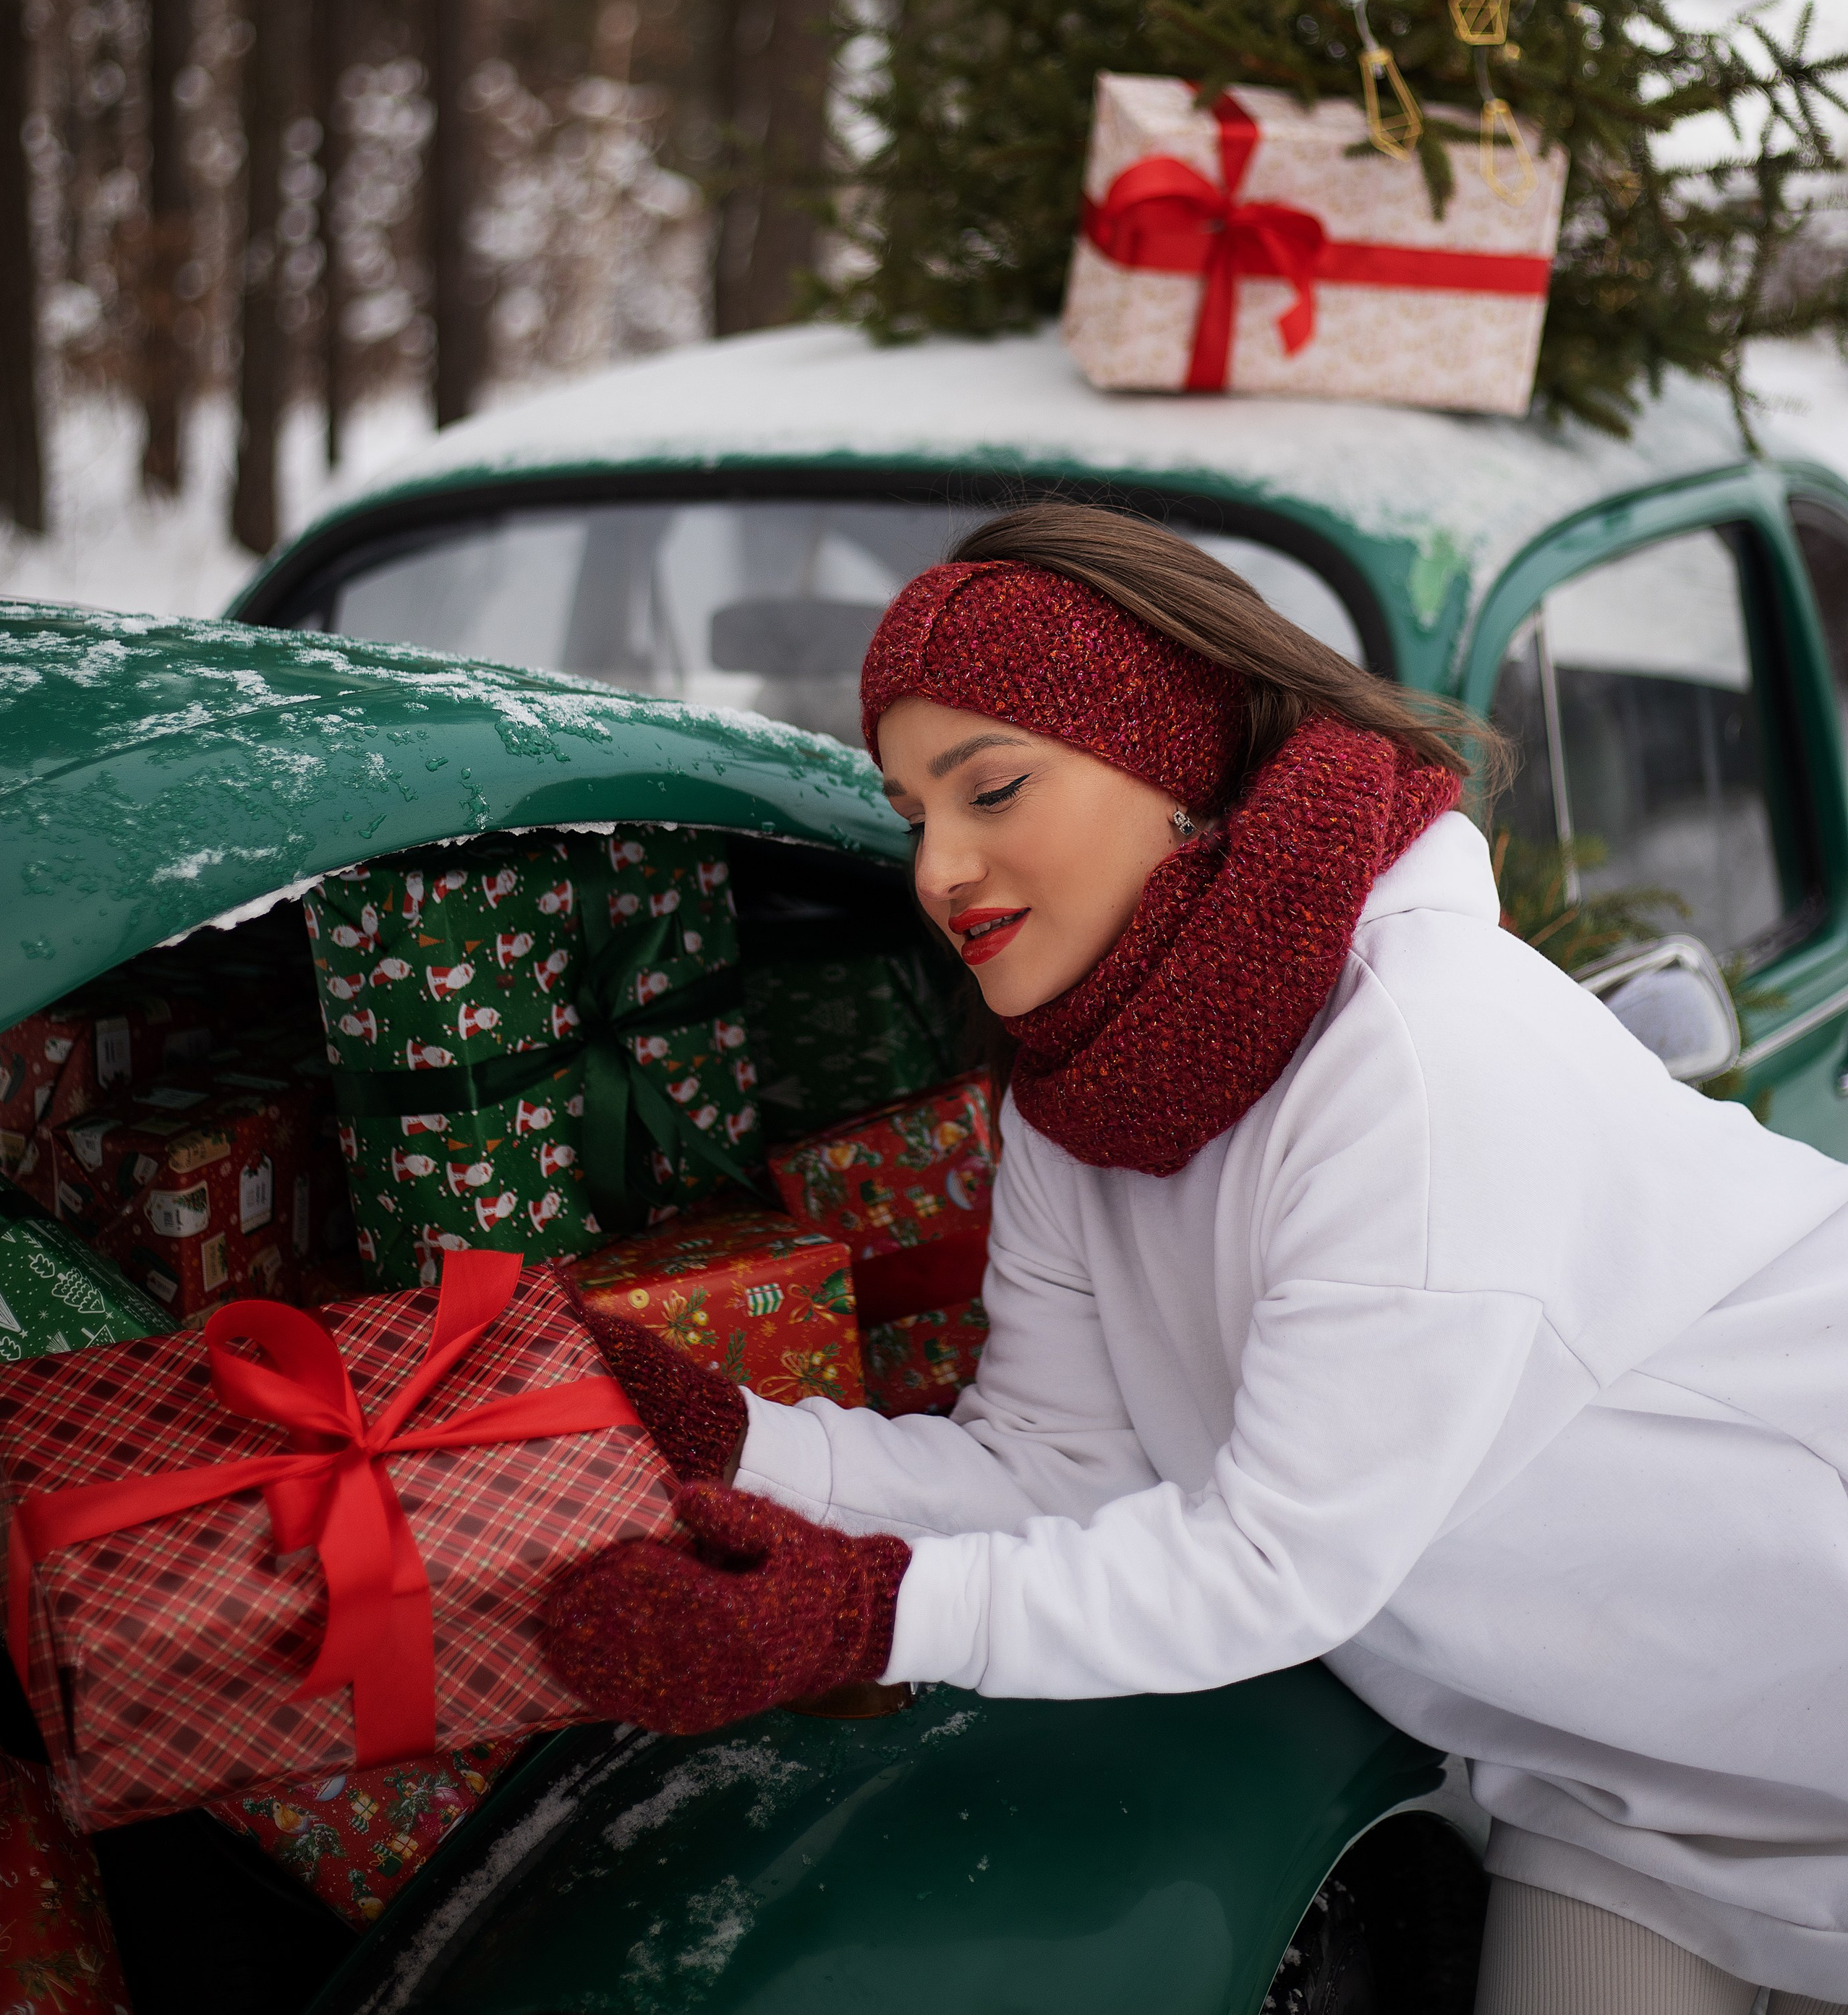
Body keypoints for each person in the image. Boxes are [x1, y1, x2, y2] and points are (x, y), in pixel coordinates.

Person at [542, 503, 1848, 2015]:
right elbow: (1057, 1471)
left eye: (992, 789)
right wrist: (736, 1445)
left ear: (1175, 768)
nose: (936, 868)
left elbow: (1277, 1560)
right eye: (914, 814)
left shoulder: (1416, 1059)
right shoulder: (1082, 1105)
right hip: (1618, 1777)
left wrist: (865, 1612)